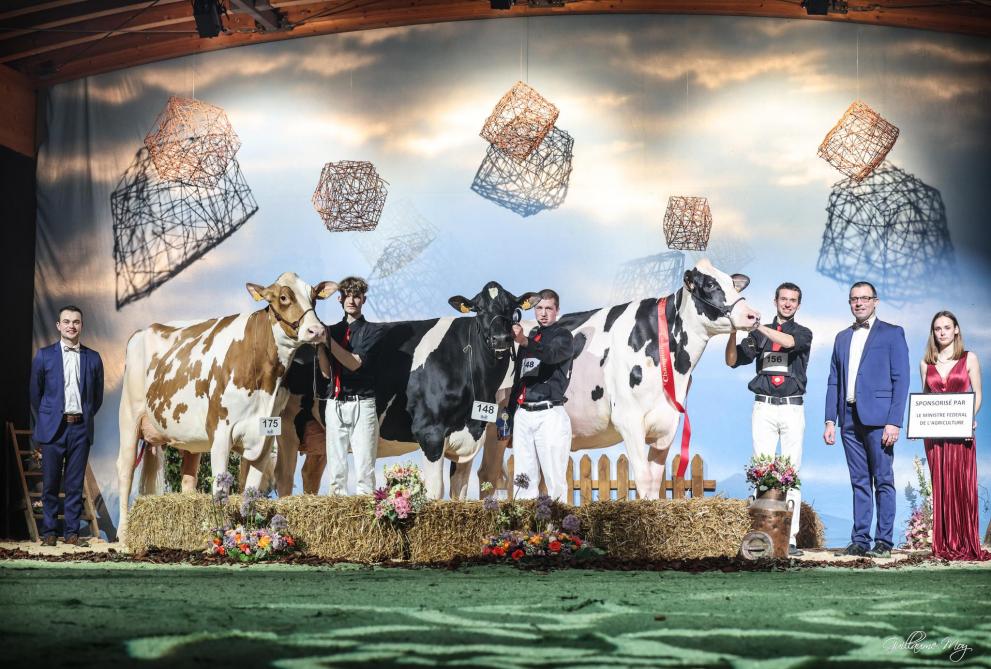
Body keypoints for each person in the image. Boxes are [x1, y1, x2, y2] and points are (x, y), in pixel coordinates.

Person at [824, 282, 910, 558]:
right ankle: (860, 539)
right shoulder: (841, 337)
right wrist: (829, 420)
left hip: (880, 419)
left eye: (864, 298)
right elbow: (833, 381)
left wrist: (894, 421)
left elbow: (902, 379)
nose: (859, 303)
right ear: (850, 303)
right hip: (848, 419)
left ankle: (884, 540)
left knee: (883, 479)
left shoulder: (893, 333)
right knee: (859, 481)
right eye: (854, 299)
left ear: (875, 301)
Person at [726, 282, 812, 557]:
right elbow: (732, 360)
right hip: (763, 407)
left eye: (793, 300)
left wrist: (757, 325)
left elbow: (787, 342)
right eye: (783, 299)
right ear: (775, 300)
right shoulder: (757, 337)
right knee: (761, 470)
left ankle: (791, 538)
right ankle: (761, 531)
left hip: (791, 408)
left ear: (798, 305)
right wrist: (732, 331)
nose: (787, 304)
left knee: (791, 474)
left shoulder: (802, 332)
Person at [28, 306, 104, 547]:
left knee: (74, 484)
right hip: (53, 429)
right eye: (67, 322)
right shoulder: (44, 355)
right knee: (50, 483)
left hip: (80, 429)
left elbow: (97, 397)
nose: (72, 326)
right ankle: (49, 532)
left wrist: (84, 416)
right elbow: (35, 394)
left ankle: (71, 533)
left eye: (76, 322)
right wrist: (50, 417)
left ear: (82, 326)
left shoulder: (93, 358)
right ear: (58, 326)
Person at [919, 311, 990, 561]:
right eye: (937, 328)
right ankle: (944, 544)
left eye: (947, 327)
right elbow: (925, 400)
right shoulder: (925, 363)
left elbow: (978, 395)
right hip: (935, 437)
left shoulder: (969, 358)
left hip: (961, 433)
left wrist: (969, 418)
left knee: (962, 486)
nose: (942, 332)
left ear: (956, 330)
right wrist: (921, 425)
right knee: (941, 488)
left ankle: (966, 542)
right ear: (933, 333)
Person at [508, 289, 575, 503]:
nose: (543, 313)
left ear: (557, 311)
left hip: (550, 413)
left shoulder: (563, 335)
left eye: (548, 308)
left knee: (555, 479)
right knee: (523, 479)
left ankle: (560, 534)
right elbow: (519, 381)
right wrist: (508, 415)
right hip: (524, 414)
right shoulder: (530, 339)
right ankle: (523, 533)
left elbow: (552, 354)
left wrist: (525, 341)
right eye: (539, 308)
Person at [317, 277, 382, 495]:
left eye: (356, 296)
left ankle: (366, 524)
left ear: (364, 299)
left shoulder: (372, 331)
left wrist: (327, 340)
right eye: (347, 296)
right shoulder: (331, 331)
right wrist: (319, 345)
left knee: (364, 472)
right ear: (339, 299)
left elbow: (354, 363)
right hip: (335, 402)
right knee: (336, 473)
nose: (351, 300)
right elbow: (327, 373)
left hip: (362, 404)